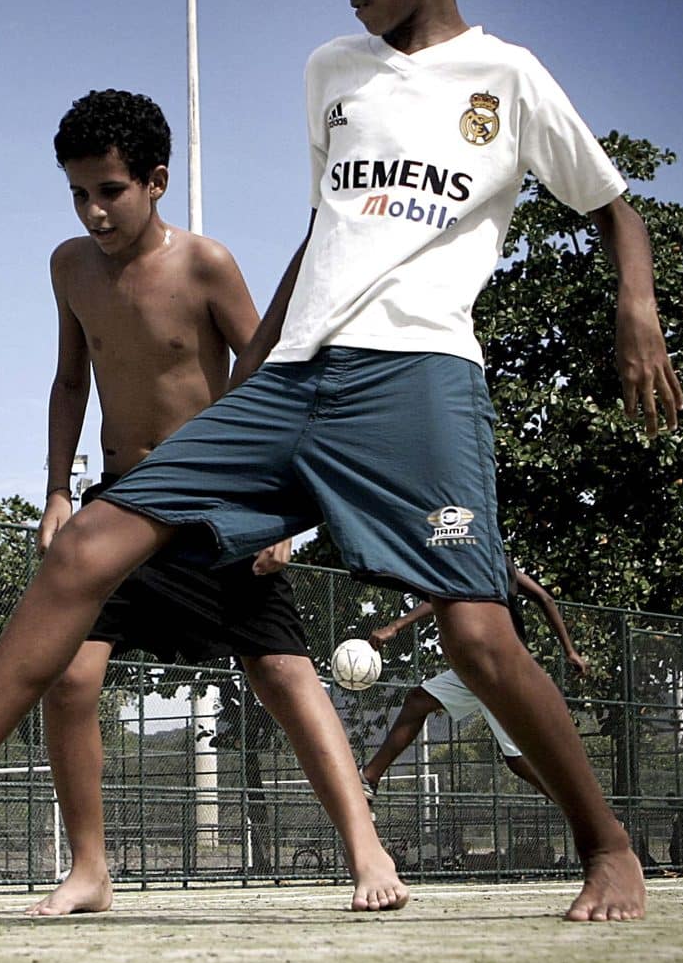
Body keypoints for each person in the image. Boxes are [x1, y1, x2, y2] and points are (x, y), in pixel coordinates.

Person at [0, 0, 680, 923]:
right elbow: (325, 231)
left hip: (418, 379)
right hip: (295, 379)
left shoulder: (509, 79)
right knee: (80, 551)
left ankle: (606, 844)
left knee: (477, 639)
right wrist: (254, 377)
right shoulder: (330, 72)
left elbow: (611, 206)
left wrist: (633, 306)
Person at [27, 90, 404, 916]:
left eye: (110, 191)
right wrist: (58, 490)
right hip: (122, 501)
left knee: (283, 674)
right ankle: (90, 869)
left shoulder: (206, 265)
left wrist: (274, 512)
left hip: (215, 498)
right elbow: (68, 382)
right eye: (78, 193)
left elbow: (273, 377)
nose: (93, 211)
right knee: (69, 676)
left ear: (157, 180)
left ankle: (365, 848)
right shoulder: (69, 267)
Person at [358, 568, 589, 799]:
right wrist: (570, 651)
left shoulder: (481, 561)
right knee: (417, 701)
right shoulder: (490, 561)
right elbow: (544, 597)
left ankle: (584, 813)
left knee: (517, 760)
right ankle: (369, 778)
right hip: (477, 665)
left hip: (500, 667)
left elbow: (444, 598)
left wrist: (396, 626)